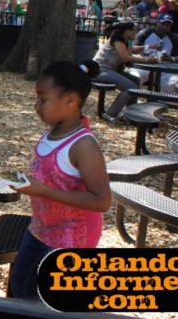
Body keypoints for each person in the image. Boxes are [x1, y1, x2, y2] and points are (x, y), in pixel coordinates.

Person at [9, 61, 110, 300]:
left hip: (71, 240)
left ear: (71, 100)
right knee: (21, 284)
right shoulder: (52, 131)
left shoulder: (84, 146)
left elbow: (102, 201)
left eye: (43, 99)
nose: (36, 106)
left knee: (44, 298)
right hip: (40, 230)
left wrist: (44, 191)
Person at [93, 20, 160, 122]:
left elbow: (131, 50)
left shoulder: (123, 39)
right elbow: (126, 57)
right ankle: (110, 114)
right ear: (126, 31)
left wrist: (148, 47)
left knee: (136, 81)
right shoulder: (118, 38)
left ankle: (130, 113)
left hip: (110, 70)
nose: (135, 33)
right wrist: (147, 59)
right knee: (131, 87)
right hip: (100, 70)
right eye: (133, 30)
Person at [129, 12, 178, 92]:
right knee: (133, 78)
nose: (165, 27)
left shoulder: (174, 38)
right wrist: (148, 47)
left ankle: (161, 103)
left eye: (168, 25)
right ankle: (132, 102)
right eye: (163, 24)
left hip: (164, 69)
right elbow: (132, 49)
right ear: (157, 22)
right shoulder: (145, 33)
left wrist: (171, 58)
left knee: (173, 83)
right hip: (144, 66)